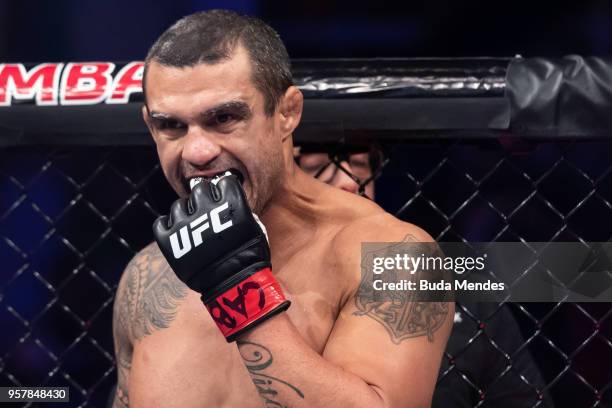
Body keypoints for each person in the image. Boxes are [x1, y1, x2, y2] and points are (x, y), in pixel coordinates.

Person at [112, 9, 453, 408]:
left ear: (287, 112)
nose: (197, 151)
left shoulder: (395, 257)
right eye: (171, 126)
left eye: (224, 118)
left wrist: (239, 291)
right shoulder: (147, 276)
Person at [294, 145, 551, 407]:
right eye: (317, 166)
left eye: (360, 165)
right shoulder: (271, 279)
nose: (349, 181)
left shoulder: (453, 283)